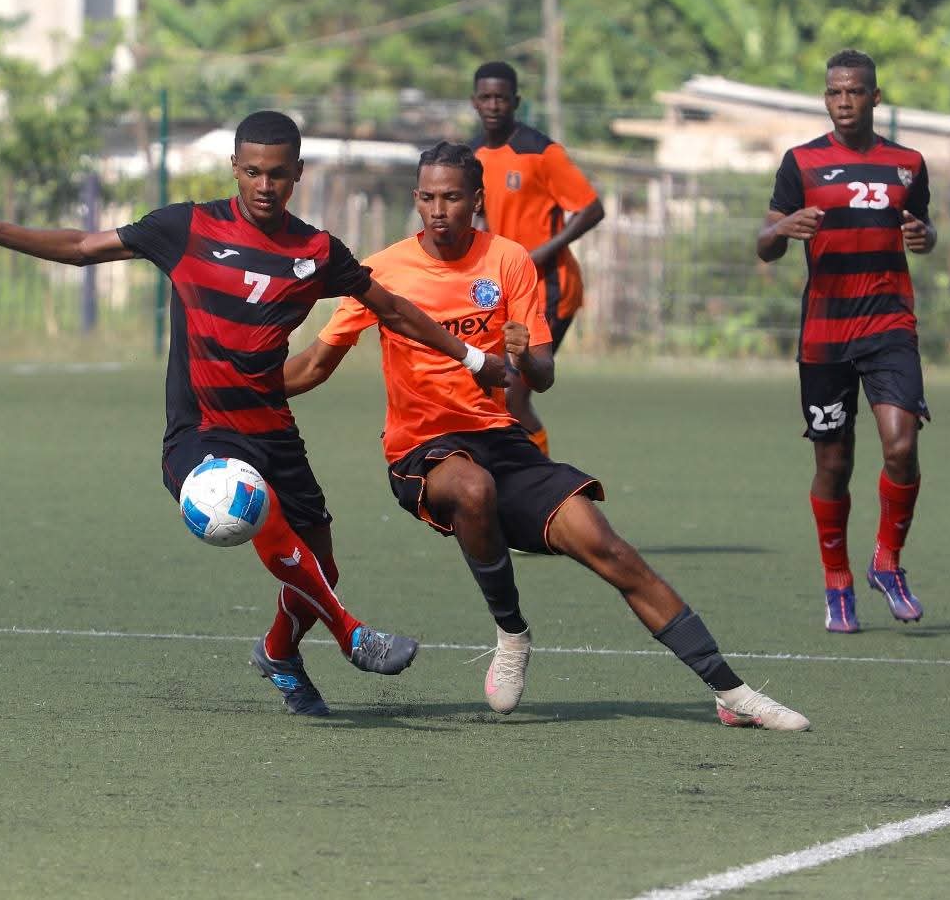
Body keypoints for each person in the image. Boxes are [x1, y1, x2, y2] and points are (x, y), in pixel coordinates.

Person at [0, 111, 511, 717]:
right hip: (201, 432)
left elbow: (393, 309)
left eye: (277, 175)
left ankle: (278, 654)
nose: (264, 186)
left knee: (321, 564)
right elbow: (85, 247)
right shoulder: (186, 227)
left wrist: (473, 356)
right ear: (234, 169)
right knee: (248, 501)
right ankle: (352, 635)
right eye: (252, 173)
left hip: (271, 428)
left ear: (297, 174)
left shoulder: (315, 250)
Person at [283, 142, 810, 730]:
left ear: (476, 201)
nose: (439, 209)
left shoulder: (508, 260)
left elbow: (542, 372)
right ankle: (511, 630)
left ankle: (730, 691)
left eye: (453, 197)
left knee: (609, 548)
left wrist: (521, 358)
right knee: (473, 488)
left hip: (501, 440)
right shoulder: (382, 272)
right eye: (428, 197)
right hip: (422, 451)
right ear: (415, 199)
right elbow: (312, 366)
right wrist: (240, 390)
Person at [757, 49, 937, 635]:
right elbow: (765, 243)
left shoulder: (908, 163)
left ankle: (888, 560)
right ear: (825, 97)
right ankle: (837, 580)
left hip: (889, 325)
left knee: (901, 448)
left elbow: (922, 228)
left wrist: (925, 234)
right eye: (834, 92)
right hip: (826, 335)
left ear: (875, 97)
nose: (844, 102)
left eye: (855, 92)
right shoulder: (801, 162)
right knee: (833, 463)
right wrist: (782, 229)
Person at [470, 60, 603, 457]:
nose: (494, 105)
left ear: (516, 102)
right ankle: (518, 476)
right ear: (474, 102)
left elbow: (591, 208)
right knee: (494, 394)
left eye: (502, 98)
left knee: (513, 397)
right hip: (506, 290)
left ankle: (542, 484)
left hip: (550, 288)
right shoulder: (476, 155)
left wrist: (543, 251)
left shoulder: (541, 152)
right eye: (486, 97)